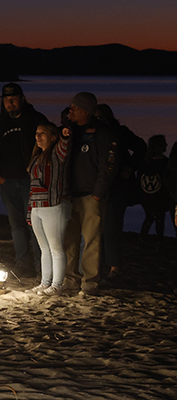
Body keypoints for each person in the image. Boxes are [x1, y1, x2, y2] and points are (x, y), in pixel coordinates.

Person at [62, 92, 117, 297]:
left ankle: (90, 281)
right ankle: (70, 279)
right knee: (70, 239)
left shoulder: (102, 132)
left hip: (91, 196)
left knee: (91, 240)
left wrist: (97, 193)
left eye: (75, 107)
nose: (71, 110)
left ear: (86, 110)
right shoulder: (70, 131)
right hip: (69, 195)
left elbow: (108, 165)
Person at [0, 83, 46, 276]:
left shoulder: (34, 119)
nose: (10, 103)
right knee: (16, 225)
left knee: (34, 224)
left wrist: (36, 171)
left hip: (29, 181)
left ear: (22, 99)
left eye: (14, 98)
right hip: (7, 181)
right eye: (7, 100)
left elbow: (47, 145)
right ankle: (23, 264)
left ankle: (40, 265)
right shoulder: (1, 123)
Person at [95, 104, 145, 282]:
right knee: (96, 229)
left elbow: (141, 147)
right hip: (96, 186)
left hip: (117, 187)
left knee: (112, 228)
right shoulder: (90, 133)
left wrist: (130, 167)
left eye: (101, 117)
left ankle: (114, 266)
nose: (98, 120)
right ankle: (97, 265)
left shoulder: (119, 132)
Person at [27, 122, 72, 296]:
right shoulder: (37, 156)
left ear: (53, 137)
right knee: (44, 247)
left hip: (54, 205)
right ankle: (45, 283)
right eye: (37, 133)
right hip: (37, 205)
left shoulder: (56, 154)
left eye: (43, 133)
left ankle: (57, 284)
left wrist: (65, 135)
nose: (38, 137)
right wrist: (30, 211)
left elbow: (64, 146)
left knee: (56, 247)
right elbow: (32, 186)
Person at [138, 135, 172, 241]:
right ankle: (159, 241)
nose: (166, 145)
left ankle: (142, 239)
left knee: (149, 217)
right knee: (160, 218)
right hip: (160, 197)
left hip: (147, 197)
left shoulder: (144, 163)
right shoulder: (165, 163)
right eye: (164, 143)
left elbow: (139, 181)